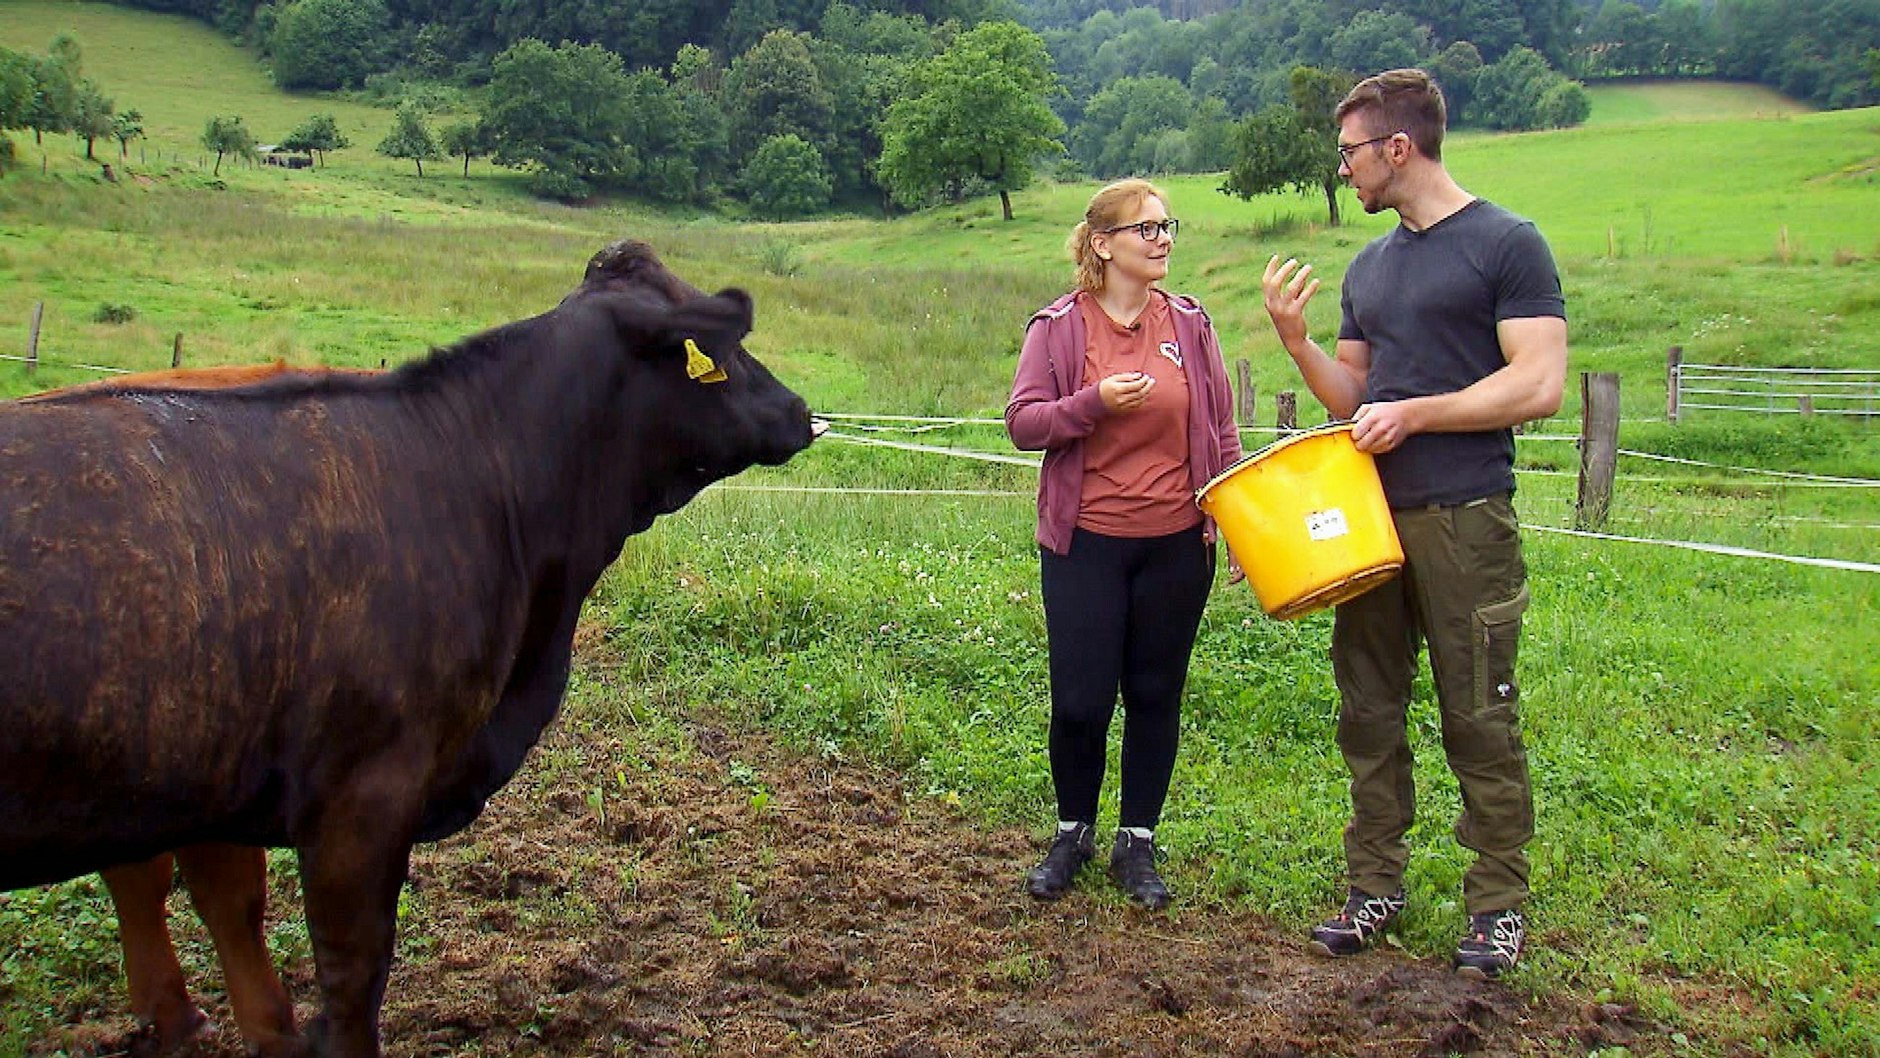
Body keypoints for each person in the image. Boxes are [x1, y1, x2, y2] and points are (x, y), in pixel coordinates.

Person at [1258, 68, 1567, 978]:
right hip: (1368, 523)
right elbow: (1356, 397)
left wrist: (1420, 412)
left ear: (1399, 147)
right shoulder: (1371, 267)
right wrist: (1297, 343)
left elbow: (1538, 383)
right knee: (1369, 710)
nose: (1344, 168)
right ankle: (1375, 887)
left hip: (1465, 517)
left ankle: (1497, 906)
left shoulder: (1508, 243)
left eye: (1352, 151)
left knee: (1478, 714)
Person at [1005, 178, 1243, 911]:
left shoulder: (1192, 325)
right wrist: (1091, 405)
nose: (1163, 239)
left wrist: (1235, 516)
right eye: (1146, 229)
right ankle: (1071, 832)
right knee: (1080, 700)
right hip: (1086, 544)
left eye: (1168, 226)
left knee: (1154, 695)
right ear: (1102, 245)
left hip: (1175, 544)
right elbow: (1023, 421)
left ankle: (1137, 841)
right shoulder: (1059, 328)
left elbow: (1223, 429)